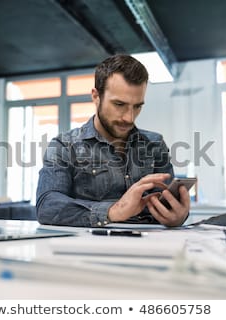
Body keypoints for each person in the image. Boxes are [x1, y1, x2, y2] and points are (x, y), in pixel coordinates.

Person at [36, 54, 190, 227]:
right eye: (119, 104)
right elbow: (47, 207)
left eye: (137, 106)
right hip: (90, 249)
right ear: (96, 96)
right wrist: (113, 211)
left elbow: (166, 205)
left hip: (149, 247)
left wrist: (178, 216)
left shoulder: (155, 144)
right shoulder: (64, 146)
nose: (129, 118)